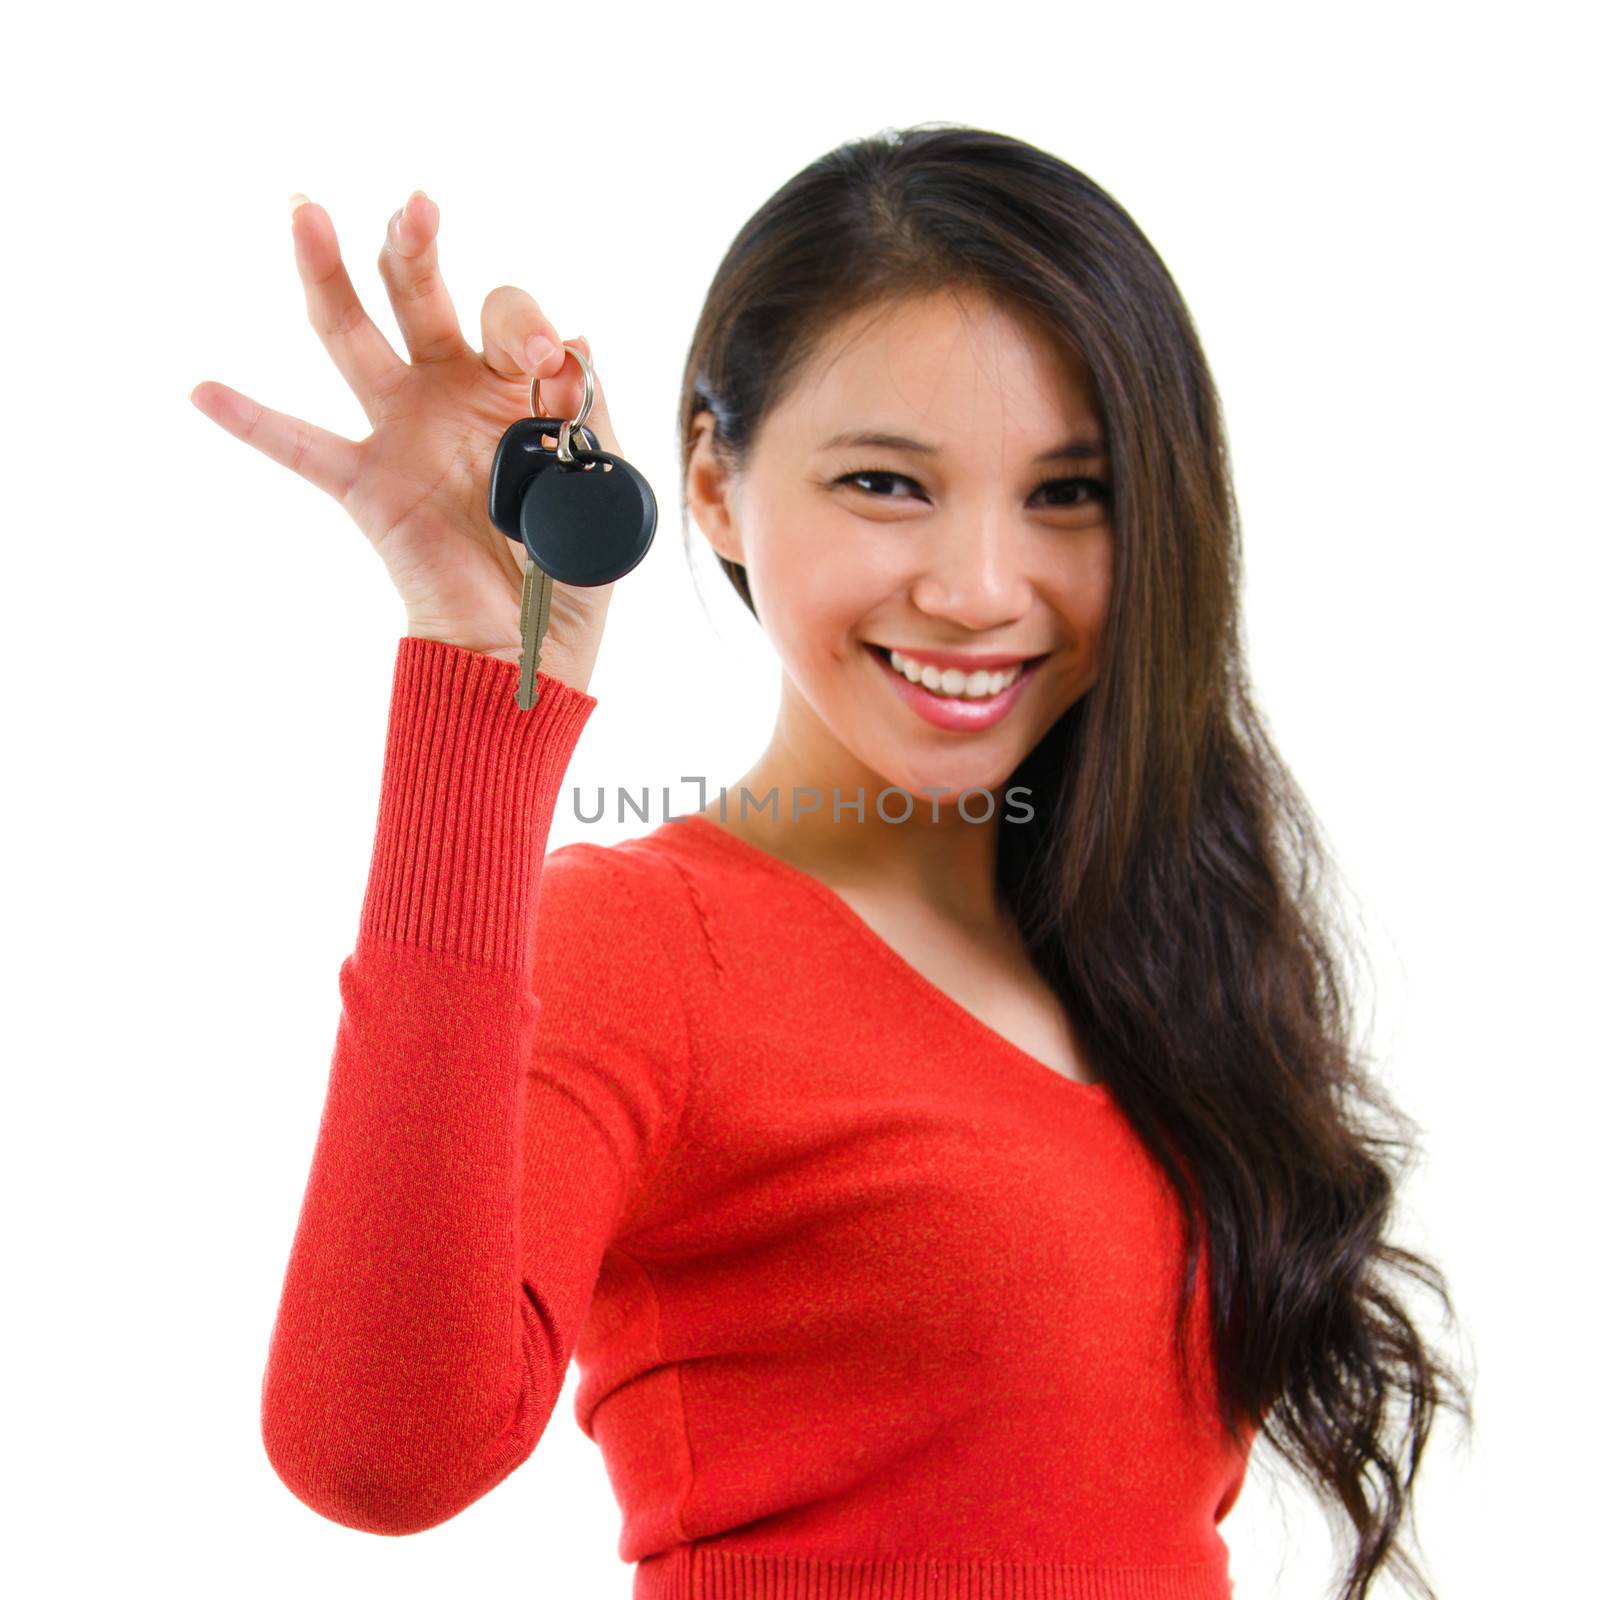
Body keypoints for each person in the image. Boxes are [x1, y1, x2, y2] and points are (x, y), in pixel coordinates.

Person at [191, 125, 1471, 1600]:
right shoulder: (647, 945)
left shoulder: (1147, 944)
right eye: (885, 483)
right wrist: (488, 689)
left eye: (1070, 492)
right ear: (719, 487)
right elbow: (375, 1455)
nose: (982, 588)